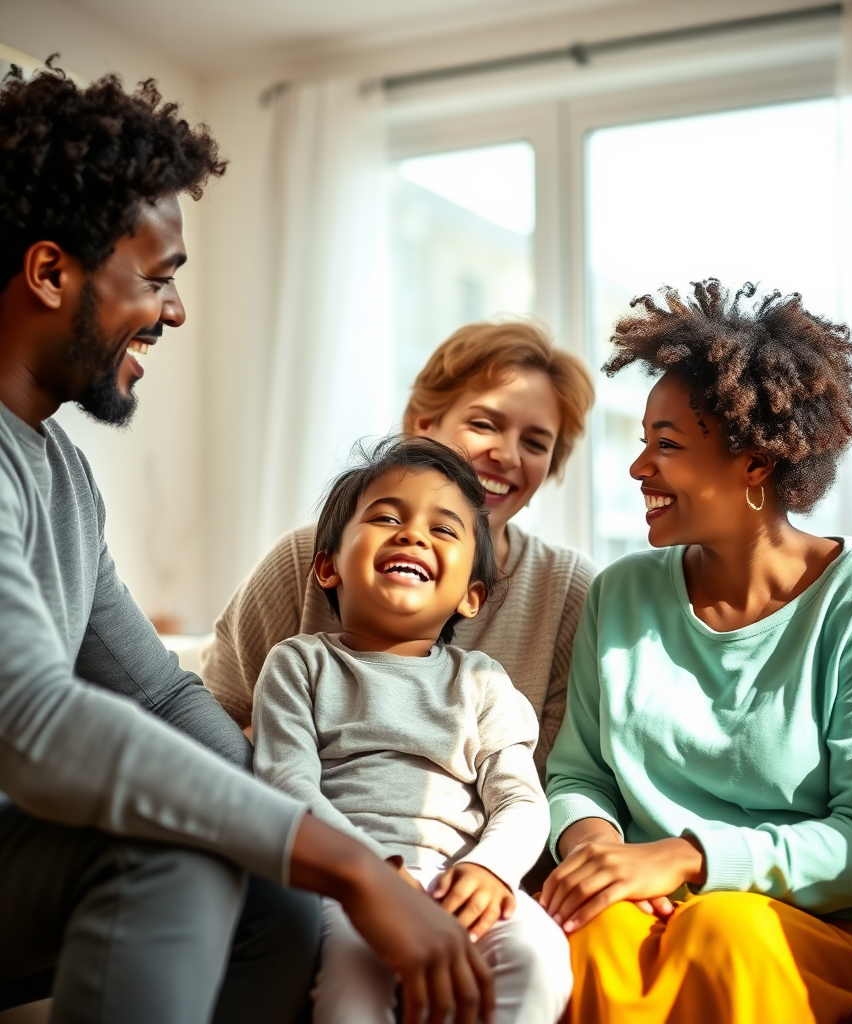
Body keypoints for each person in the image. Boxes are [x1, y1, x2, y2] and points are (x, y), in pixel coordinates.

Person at [0, 64, 492, 1024]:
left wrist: (303, 844)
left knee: (272, 886)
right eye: (156, 279)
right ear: (52, 272)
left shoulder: (59, 469)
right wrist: (352, 865)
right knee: (169, 845)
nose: (175, 312)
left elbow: (156, 690)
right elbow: (35, 721)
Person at [540, 280, 852, 1024]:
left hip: (828, 929)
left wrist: (691, 857)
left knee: (725, 929)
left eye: (668, 446)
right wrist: (596, 852)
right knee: (585, 928)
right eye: (642, 443)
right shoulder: (619, 595)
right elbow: (580, 775)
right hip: (657, 908)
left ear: (755, 463)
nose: (639, 470)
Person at [253, 436, 573, 1024]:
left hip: (465, 881)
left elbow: (521, 798)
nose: (414, 535)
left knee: (540, 956)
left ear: (471, 597)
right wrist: (372, 872)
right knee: (353, 974)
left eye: (444, 530)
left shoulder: (482, 682)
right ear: (327, 565)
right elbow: (287, 785)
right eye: (386, 518)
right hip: (347, 883)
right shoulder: (298, 664)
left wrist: (491, 868)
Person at [203, 321, 595, 772]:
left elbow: (552, 780)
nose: (508, 455)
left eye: (535, 442)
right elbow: (215, 722)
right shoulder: (304, 558)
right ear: (423, 425)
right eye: (485, 423)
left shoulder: (568, 591)